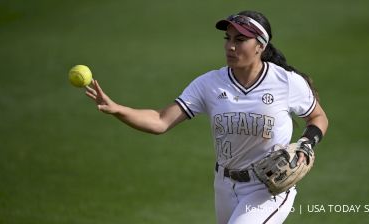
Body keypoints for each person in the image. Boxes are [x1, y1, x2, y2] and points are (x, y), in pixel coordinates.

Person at [85, 10, 328, 224]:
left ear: (260, 46)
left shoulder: (285, 82)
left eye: (240, 39)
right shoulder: (209, 84)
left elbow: (318, 117)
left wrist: (307, 144)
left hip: (268, 186)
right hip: (224, 186)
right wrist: (118, 109)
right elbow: (160, 121)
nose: (230, 46)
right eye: (228, 38)